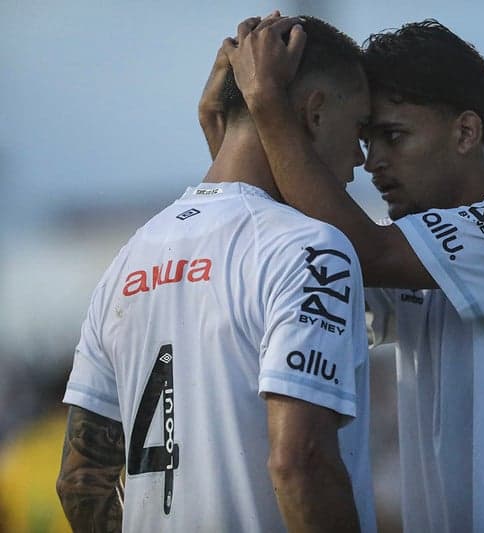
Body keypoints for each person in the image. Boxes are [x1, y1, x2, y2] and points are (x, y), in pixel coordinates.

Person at [221, 15, 484, 532]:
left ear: (465, 130)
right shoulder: (418, 253)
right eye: (367, 140)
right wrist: (230, 141)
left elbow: (364, 250)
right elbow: (314, 252)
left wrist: (269, 104)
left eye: (394, 136)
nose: (372, 163)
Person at [56, 14, 376, 533]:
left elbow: (81, 481)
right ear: (315, 113)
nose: (361, 158)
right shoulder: (314, 248)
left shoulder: (127, 259)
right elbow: (301, 463)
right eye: (359, 129)